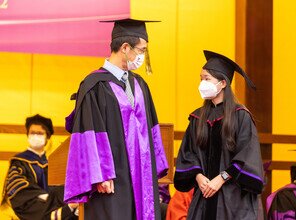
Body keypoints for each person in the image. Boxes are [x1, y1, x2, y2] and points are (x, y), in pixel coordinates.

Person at [64, 18, 169, 220]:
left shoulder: (139, 84)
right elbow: (89, 134)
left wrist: (152, 169)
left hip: (140, 178)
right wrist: (100, 175)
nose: (143, 56)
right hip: (111, 181)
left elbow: (151, 130)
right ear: (125, 47)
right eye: (141, 50)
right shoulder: (94, 85)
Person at [174, 50, 264, 219]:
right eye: (201, 78)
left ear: (223, 83)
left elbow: (247, 155)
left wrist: (221, 178)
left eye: (207, 79)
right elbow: (188, 153)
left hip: (232, 198)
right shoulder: (197, 117)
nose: (202, 83)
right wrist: (199, 176)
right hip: (204, 193)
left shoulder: (240, 116)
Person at [2, 114, 78, 220]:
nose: (35, 136)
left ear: (47, 136)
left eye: (40, 133)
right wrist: (47, 197)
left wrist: (55, 197)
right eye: (32, 133)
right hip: (32, 205)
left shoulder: (52, 162)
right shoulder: (19, 162)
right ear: (27, 135)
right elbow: (18, 189)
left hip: (53, 204)